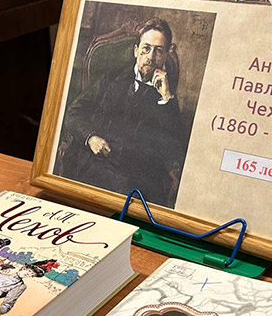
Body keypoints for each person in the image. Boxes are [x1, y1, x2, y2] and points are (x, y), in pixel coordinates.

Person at [58, 17, 186, 207]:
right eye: (146, 48)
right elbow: (74, 112)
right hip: (97, 160)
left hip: (136, 172)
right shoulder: (111, 79)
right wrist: (90, 137)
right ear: (136, 51)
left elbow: (174, 147)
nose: (151, 57)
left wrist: (167, 98)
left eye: (158, 51)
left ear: (165, 56)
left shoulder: (167, 95)